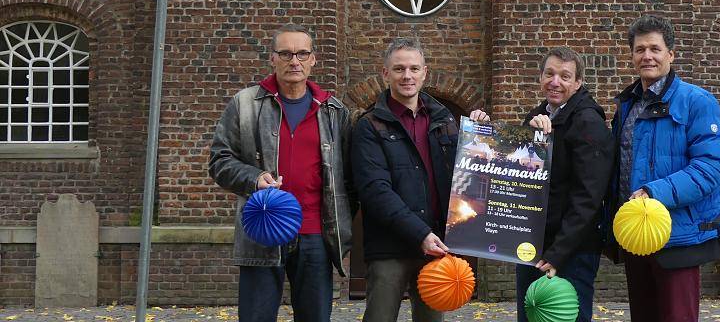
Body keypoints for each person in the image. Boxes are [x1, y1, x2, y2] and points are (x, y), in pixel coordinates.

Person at [208, 24, 354, 322]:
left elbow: (349, 176)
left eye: (302, 53)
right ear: (272, 58)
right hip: (262, 230)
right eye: (285, 53)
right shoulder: (245, 104)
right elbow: (219, 161)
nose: (294, 61)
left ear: (313, 60)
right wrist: (253, 178)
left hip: (315, 233)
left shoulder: (334, 111)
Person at [351, 37, 489, 322]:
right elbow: (376, 191)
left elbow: (466, 179)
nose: (407, 76)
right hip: (390, 247)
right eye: (399, 69)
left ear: (425, 72)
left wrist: (480, 137)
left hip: (436, 245)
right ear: (385, 73)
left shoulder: (446, 121)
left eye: (414, 68)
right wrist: (420, 234)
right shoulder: (369, 125)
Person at [608, 15, 720, 322]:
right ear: (632, 56)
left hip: (678, 236)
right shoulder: (627, 105)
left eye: (655, 49)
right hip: (637, 234)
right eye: (639, 49)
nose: (647, 56)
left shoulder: (697, 102)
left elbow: (710, 168)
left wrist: (653, 191)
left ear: (670, 55)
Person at [519, 47, 616, 322]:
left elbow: (589, 197)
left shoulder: (588, 122)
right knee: (531, 315)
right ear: (540, 78)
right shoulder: (538, 118)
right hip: (533, 245)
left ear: (578, 83)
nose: (555, 82)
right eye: (549, 74)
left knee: (567, 317)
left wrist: (558, 253)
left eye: (564, 76)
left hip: (570, 251)